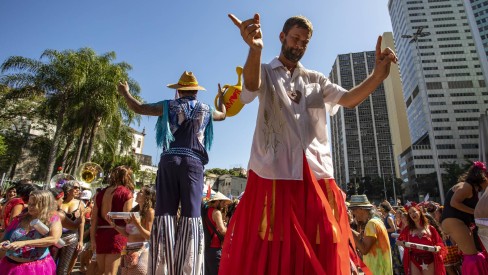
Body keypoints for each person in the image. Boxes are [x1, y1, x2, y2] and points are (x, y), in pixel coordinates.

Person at [221, 13, 397, 274]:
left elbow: (349, 99)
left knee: (323, 244)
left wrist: (377, 77)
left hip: (316, 177)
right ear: (282, 37)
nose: (299, 45)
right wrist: (255, 49)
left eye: (305, 42)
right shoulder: (265, 71)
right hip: (272, 175)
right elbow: (249, 86)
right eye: (295, 38)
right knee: (270, 247)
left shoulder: (316, 79)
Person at [118, 71, 226, 275]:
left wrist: (125, 93)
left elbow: (138, 107)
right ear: (196, 91)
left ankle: (162, 268)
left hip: (170, 161)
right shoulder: (206, 109)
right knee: (192, 216)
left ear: (179, 90)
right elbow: (223, 114)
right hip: (193, 164)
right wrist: (220, 100)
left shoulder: (170, 105)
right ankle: (189, 269)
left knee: (165, 214)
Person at [441, 161, 488, 274]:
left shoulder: (468, 187)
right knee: (473, 256)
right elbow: (454, 203)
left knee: (474, 254)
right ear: (483, 177)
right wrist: (475, 212)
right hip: (454, 222)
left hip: (455, 223)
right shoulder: (466, 186)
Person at [0, 190, 62, 274]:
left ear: (44, 204)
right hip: (10, 266)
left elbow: (53, 239)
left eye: (34, 204)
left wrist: (25, 243)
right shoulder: (21, 217)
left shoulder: (52, 218)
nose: (30, 207)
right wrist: (4, 244)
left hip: (35, 268)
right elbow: (6, 236)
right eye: (29, 203)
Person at [90, 165, 134, 275]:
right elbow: (127, 219)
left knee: (100, 271)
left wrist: (92, 239)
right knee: (110, 272)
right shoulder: (126, 193)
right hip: (117, 234)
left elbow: (93, 219)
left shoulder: (100, 193)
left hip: (100, 234)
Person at [107, 186, 156, 275]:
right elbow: (127, 234)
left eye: (140, 192)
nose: (137, 193)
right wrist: (113, 225)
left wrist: (137, 224)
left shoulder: (150, 212)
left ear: (147, 196)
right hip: (128, 248)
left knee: (138, 272)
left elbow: (149, 236)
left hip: (141, 249)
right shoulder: (134, 211)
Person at [397, 202, 446, 275]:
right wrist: (403, 243)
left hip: (429, 259)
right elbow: (398, 241)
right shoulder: (408, 229)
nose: (412, 214)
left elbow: (440, 244)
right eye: (410, 213)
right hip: (414, 259)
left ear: (419, 212)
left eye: (414, 211)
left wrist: (437, 248)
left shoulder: (430, 228)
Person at [349, 195, 393, 275]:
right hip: (378, 269)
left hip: (377, 270)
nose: (353, 213)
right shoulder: (376, 221)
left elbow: (364, 249)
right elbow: (361, 238)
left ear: (361, 209)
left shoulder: (371, 224)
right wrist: (347, 228)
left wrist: (349, 231)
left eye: (354, 209)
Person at [55, 180, 85, 274]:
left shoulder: (80, 204)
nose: (78, 190)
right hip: (56, 236)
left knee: (64, 267)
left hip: (72, 237)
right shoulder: (59, 202)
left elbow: (81, 223)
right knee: (51, 262)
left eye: (79, 188)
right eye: (75, 187)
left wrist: (80, 240)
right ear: (68, 188)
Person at [202, 192, 231, 275]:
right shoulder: (216, 212)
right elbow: (222, 230)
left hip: (208, 247)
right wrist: (231, 233)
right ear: (218, 201)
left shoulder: (207, 210)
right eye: (223, 203)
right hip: (215, 248)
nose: (224, 205)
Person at [379, 201, 402, 275]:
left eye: (381, 208)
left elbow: (393, 229)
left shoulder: (389, 217)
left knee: (395, 263)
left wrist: (383, 230)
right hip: (390, 241)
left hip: (392, 242)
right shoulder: (389, 216)